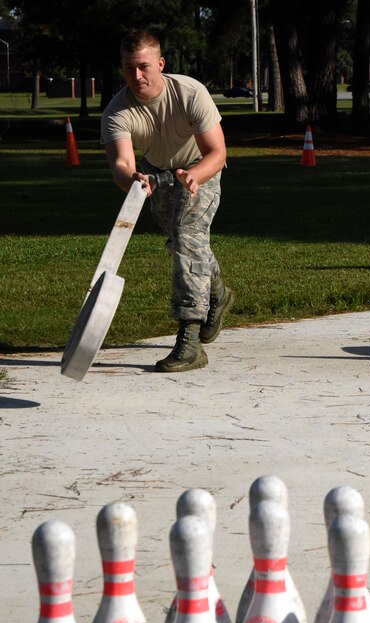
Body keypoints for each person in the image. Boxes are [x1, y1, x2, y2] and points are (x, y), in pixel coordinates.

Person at [101, 30, 234, 373]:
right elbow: (121, 164)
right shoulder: (118, 110)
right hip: (153, 175)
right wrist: (133, 180)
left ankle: (190, 340)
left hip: (199, 169)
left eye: (144, 66)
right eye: (129, 68)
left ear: (160, 64)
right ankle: (217, 293)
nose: (137, 76)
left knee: (186, 235)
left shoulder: (190, 93)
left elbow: (217, 153)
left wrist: (195, 175)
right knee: (182, 242)